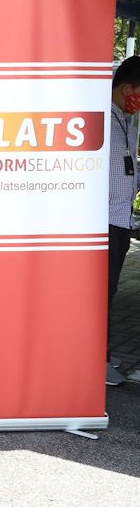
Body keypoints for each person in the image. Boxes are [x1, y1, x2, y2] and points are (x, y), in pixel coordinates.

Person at [107, 56, 140, 385]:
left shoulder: (126, 124)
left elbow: (129, 171)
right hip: (103, 222)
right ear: (127, 87)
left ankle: (101, 354)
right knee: (101, 293)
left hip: (120, 219)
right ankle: (96, 360)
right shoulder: (102, 119)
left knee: (111, 291)